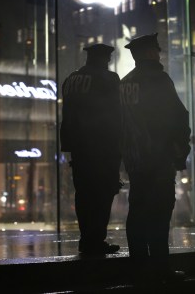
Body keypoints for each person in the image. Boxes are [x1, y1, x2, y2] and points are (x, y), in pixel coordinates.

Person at [119, 33, 191, 281]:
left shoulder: (124, 83)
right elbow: (178, 118)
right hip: (158, 158)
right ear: (149, 53)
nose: (159, 53)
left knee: (137, 211)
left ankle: (138, 265)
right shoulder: (158, 79)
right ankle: (160, 267)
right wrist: (180, 151)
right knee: (160, 212)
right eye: (156, 50)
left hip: (134, 160)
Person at [60, 43, 122, 255]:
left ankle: (86, 239)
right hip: (102, 148)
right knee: (102, 195)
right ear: (105, 59)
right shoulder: (108, 79)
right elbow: (116, 115)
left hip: (79, 150)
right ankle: (96, 241)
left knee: (84, 196)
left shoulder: (70, 80)